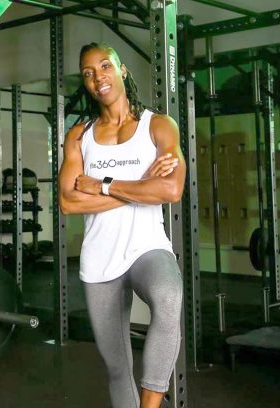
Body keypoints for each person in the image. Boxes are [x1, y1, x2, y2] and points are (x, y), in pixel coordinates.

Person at [58, 42, 186, 408]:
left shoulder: (158, 125)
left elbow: (171, 189)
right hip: (100, 258)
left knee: (168, 296)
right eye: (88, 72)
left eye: (105, 66)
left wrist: (103, 185)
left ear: (122, 69)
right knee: (117, 367)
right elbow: (68, 202)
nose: (98, 77)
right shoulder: (79, 136)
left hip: (147, 247)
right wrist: (140, 186)